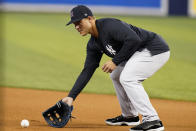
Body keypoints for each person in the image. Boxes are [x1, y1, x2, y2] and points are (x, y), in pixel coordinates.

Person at [62, 5, 170, 131]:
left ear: (90, 19)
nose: (76, 27)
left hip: (153, 48)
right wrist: (71, 96)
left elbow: (134, 39)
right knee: (116, 75)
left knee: (128, 78)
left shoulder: (109, 25)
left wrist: (115, 61)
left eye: (79, 22)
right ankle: (129, 116)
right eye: (74, 24)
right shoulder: (93, 44)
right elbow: (88, 70)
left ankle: (152, 120)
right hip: (137, 52)